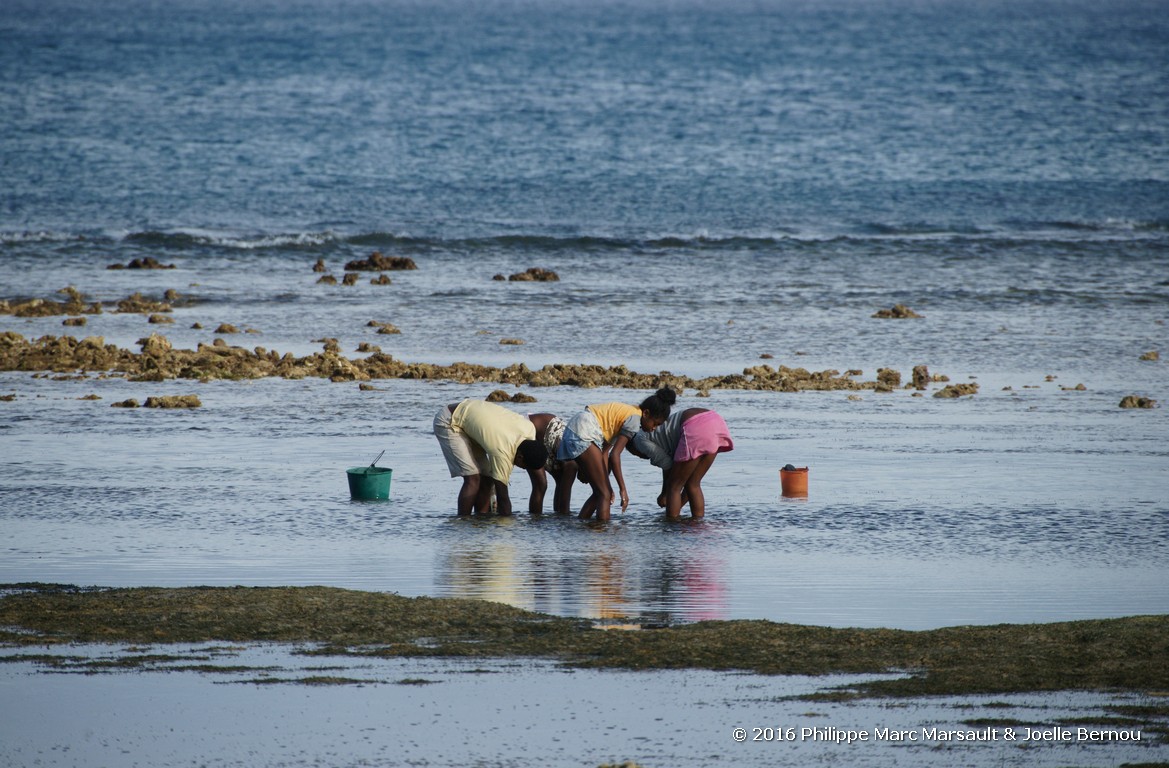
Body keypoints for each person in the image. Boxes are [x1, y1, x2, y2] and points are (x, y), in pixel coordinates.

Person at [557, 387, 676, 521]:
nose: (654, 428)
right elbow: (615, 456)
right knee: (604, 495)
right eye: (655, 423)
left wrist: (607, 484)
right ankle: (603, 534)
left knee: (601, 493)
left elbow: (604, 454)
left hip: (576, 427)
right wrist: (622, 490)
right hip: (584, 431)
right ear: (646, 413)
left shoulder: (628, 414)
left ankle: (583, 525)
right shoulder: (634, 420)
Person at [433, 399, 548, 516]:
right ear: (519, 457)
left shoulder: (529, 429)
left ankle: (481, 519)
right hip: (449, 421)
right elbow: (503, 498)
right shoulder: (502, 452)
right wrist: (507, 527)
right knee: (473, 478)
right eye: (523, 467)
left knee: (487, 478)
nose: (521, 468)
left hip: (468, 417)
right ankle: (463, 525)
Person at [630, 407, 733, 521]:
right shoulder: (663, 435)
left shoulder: (639, 440)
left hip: (695, 426)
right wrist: (673, 501)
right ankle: (697, 525)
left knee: (674, 487)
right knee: (693, 484)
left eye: (638, 455)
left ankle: (672, 528)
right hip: (716, 421)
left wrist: (665, 494)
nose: (641, 457)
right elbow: (669, 465)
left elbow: (667, 465)